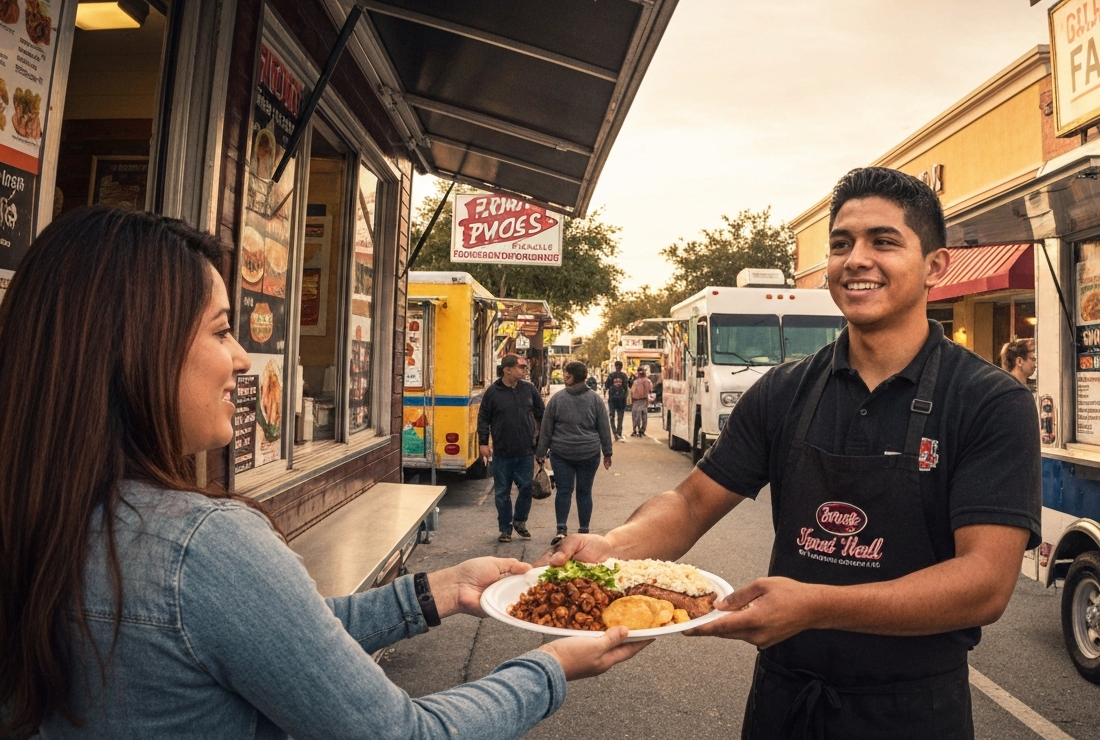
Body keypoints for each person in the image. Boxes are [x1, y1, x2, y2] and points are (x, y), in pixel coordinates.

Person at [0, 207, 648, 740]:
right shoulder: (201, 548)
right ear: (138, 352)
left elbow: (270, 632)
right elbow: (403, 734)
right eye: (222, 331)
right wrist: (550, 667)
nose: (243, 360)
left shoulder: (36, 519)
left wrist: (435, 591)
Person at [547, 167, 1041, 738]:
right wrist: (611, 547)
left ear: (935, 266)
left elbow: (984, 583)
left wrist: (817, 605)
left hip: (912, 709)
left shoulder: (989, 401)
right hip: (784, 701)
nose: (856, 259)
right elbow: (691, 503)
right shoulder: (785, 390)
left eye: (883, 241)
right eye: (841, 244)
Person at [536, 361, 613, 546]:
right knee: (584, 492)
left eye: (566, 374)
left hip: (561, 454)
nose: (564, 378)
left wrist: (540, 452)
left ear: (572, 377)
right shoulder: (595, 400)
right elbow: (604, 428)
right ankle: (584, 531)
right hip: (589, 453)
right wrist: (607, 453)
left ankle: (561, 530)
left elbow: (546, 429)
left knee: (563, 491)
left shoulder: (557, 399)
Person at [478, 353, 545, 542]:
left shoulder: (529, 390)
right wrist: (483, 442)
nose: (525, 370)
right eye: (521, 367)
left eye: (525, 367)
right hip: (502, 452)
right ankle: (505, 529)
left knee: (526, 488)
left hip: (525, 451)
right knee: (502, 493)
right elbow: (483, 418)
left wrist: (542, 444)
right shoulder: (493, 392)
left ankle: (520, 521)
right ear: (507, 370)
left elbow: (542, 416)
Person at [629, 366, 653, 437]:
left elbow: (632, 392)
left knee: (635, 416)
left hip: (636, 401)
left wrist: (631, 401)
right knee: (644, 417)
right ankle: (642, 430)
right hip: (644, 401)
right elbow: (651, 390)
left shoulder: (636, 382)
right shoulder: (648, 381)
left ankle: (635, 430)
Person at [606, 374, 628, 441]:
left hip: (612, 400)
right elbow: (627, 386)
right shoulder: (624, 376)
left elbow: (606, 386)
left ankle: (615, 433)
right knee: (620, 417)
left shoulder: (611, 376)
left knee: (612, 417)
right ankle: (619, 433)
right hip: (621, 400)